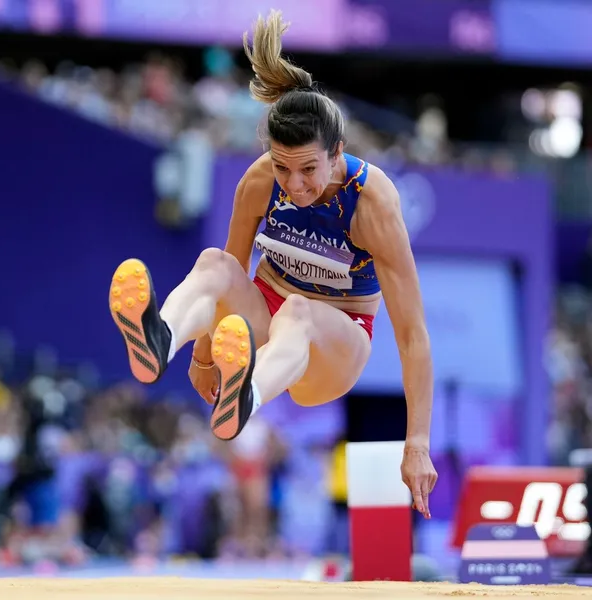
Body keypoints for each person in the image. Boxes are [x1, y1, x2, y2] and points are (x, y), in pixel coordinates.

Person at [109, 10, 438, 518]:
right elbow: (225, 284)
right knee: (214, 261)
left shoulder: (373, 204)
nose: (296, 185)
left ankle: (247, 397)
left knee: (298, 313)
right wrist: (202, 360)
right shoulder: (260, 182)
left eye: (309, 169)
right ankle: (160, 339)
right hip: (262, 322)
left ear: (337, 153)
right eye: (283, 167)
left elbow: (413, 334)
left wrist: (416, 441)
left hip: (334, 346)